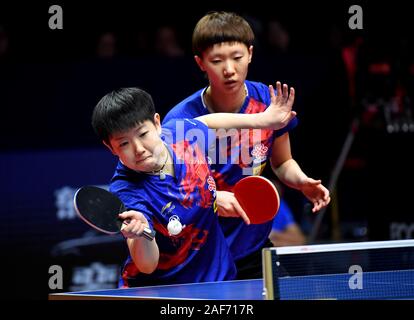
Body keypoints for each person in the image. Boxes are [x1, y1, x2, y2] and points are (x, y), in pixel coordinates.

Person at [163, 11, 330, 279]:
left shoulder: (268, 101)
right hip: (199, 253)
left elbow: (282, 161)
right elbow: (171, 193)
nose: (229, 69)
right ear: (200, 63)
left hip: (252, 248)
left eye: (237, 57)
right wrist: (214, 199)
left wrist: (300, 181)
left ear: (250, 54)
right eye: (217, 61)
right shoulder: (181, 121)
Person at [91, 83, 296, 287]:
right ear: (110, 148)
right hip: (164, 289)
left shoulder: (181, 137)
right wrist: (143, 233)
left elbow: (207, 122)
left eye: (143, 134)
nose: (138, 149)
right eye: (123, 144)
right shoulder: (127, 190)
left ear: (157, 124)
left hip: (219, 281)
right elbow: (147, 264)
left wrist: (263, 120)